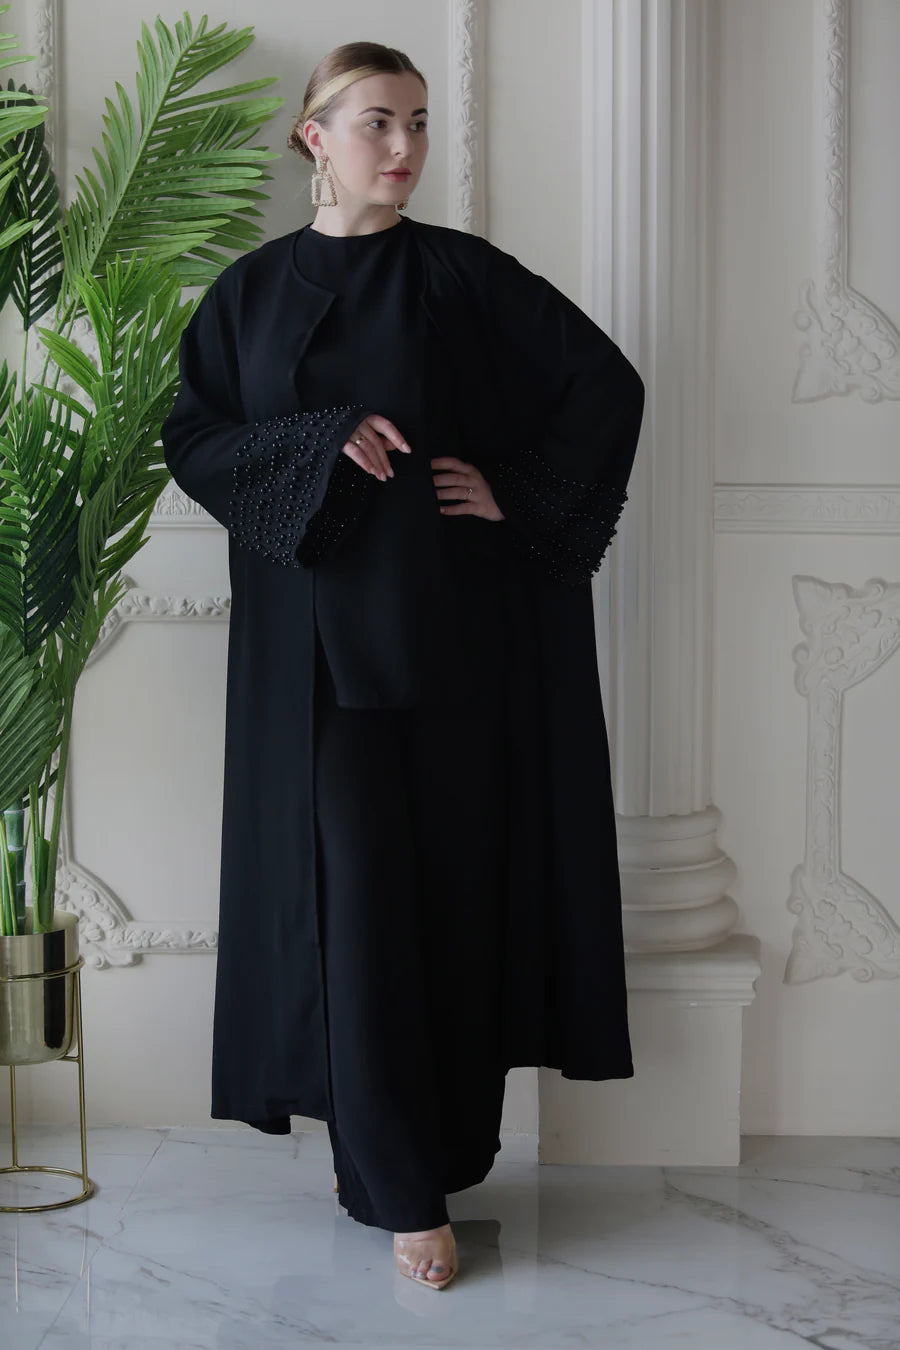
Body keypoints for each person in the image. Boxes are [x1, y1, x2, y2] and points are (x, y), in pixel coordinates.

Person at [160, 40, 645, 1292]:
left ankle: (417, 1156)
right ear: (314, 136)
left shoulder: (464, 278)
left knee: (448, 907)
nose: (405, 147)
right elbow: (197, 439)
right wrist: (317, 443)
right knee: (352, 910)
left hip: (454, 654)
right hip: (313, 669)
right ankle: (400, 1190)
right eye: (378, 121)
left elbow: (605, 384)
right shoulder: (250, 295)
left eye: (419, 122)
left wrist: (517, 493)